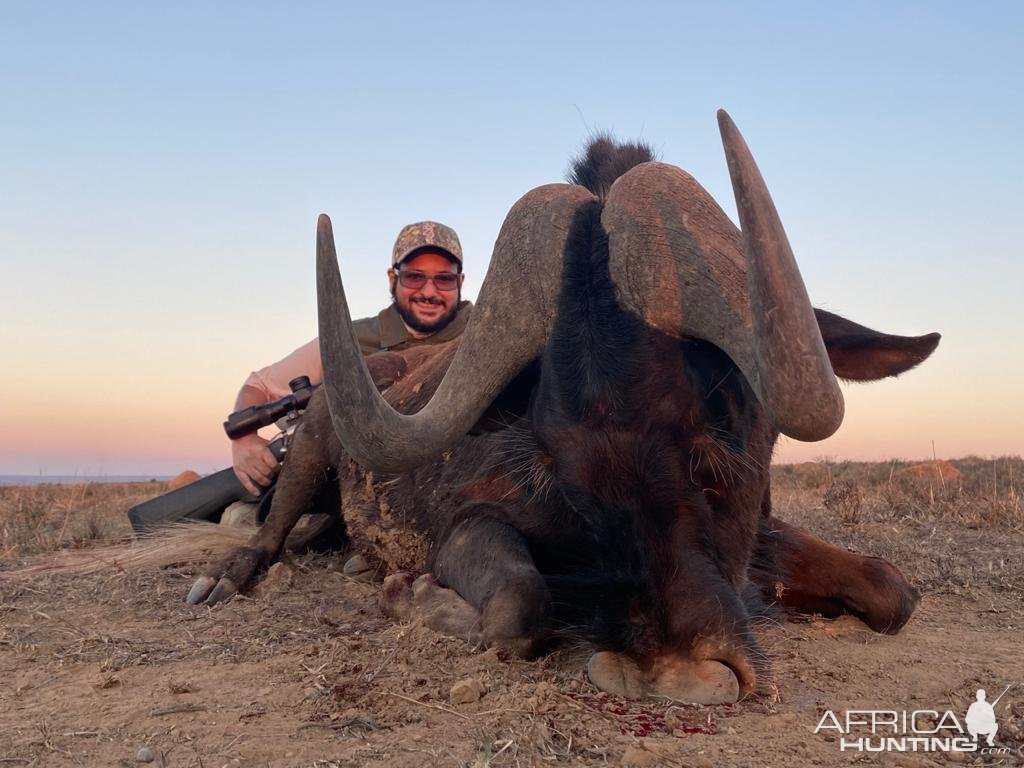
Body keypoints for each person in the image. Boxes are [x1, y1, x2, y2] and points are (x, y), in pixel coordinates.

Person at [230, 220, 473, 497]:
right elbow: (258, 386)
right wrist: (244, 439)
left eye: (444, 279)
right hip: (359, 490)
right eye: (414, 277)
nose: (429, 293)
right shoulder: (347, 340)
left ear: (460, 282)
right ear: (392, 279)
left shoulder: (486, 336)